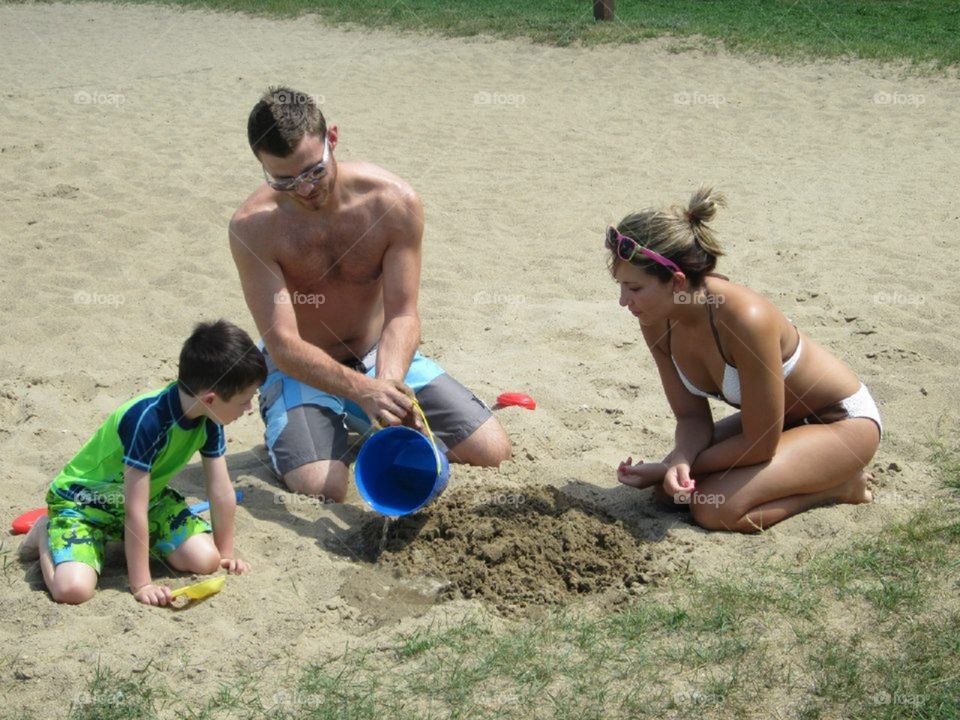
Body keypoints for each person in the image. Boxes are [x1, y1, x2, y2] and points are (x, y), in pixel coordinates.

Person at [229, 86, 511, 503]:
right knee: (322, 488)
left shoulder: (392, 202)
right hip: (300, 367)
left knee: (492, 452)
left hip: (379, 353)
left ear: (333, 139)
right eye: (283, 180)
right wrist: (364, 392)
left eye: (313, 171)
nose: (304, 189)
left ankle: (359, 415)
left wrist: (388, 386)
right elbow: (284, 346)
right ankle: (313, 420)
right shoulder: (253, 227)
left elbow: (402, 314)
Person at [610, 187, 881, 532]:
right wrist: (681, 459)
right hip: (779, 423)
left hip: (839, 424)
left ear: (677, 281)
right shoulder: (656, 318)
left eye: (634, 289)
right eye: (620, 286)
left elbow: (760, 444)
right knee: (672, 496)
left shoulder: (745, 319)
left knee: (715, 509)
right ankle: (817, 477)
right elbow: (692, 418)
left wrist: (671, 467)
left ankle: (841, 486)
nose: (623, 301)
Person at [18, 320, 267, 605]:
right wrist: (142, 584)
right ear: (210, 398)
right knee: (73, 591)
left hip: (151, 501)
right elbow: (133, 508)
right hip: (84, 504)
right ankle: (44, 531)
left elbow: (221, 490)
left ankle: (111, 543)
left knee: (206, 560)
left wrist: (226, 554)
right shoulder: (147, 420)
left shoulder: (210, 418)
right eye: (244, 401)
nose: (249, 409)